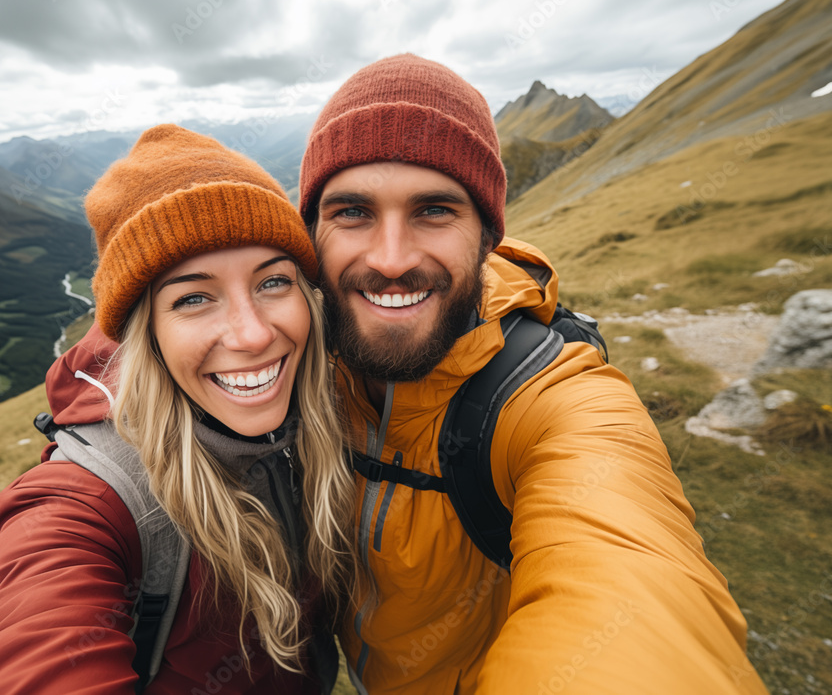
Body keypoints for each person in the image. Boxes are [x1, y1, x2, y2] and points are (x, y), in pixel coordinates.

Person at [296, 54, 768, 694]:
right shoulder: (296, 361)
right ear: (312, 236)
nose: (390, 258)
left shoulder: (554, 400)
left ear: (487, 235)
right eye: (351, 212)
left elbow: (632, 583)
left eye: (435, 210)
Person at [0, 125, 357, 694]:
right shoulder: (91, 505)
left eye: (273, 282)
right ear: (148, 335)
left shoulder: (328, 410)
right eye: (193, 297)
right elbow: (34, 639)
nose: (252, 333)